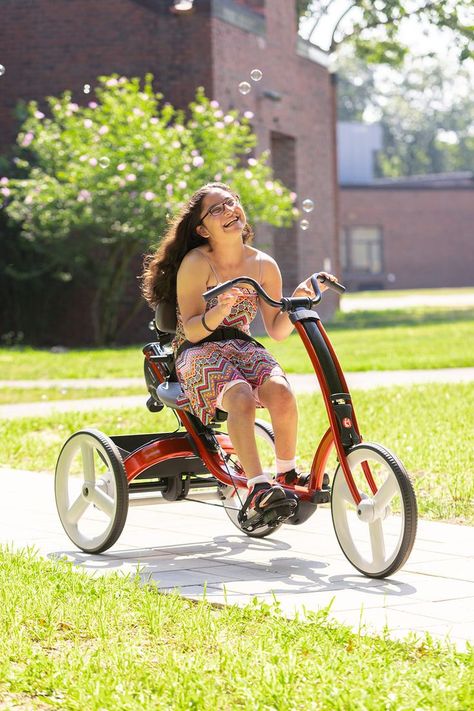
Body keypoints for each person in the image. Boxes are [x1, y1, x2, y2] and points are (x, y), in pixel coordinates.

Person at [142, 181, 337, 525]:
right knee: (241, 397)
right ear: (203, 228)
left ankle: (287, 473)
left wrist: (296, 299)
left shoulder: (263, 264)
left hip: (242, 346)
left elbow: (276, 330)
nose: (229, 210)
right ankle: (258, 487)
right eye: (217, 209)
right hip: (196, 349)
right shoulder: (196, 263)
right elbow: (189, 327)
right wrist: (215, 314)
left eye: (231, 203)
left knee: (281, 391)